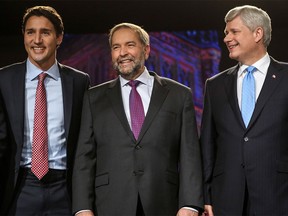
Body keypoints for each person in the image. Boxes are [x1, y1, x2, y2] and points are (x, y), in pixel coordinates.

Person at [72, 22, 203, 216]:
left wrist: (190, 204)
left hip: (164, 202)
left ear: (146, 50)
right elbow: (84, 157)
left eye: (130, 45)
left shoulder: (179, 94)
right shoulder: (94, 98)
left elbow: (189, 155)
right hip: (110, 205)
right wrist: (82, 208)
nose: (122, 52)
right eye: (116, 47)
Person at [0, 6, 90, 215]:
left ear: (59, 38)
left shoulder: (79, 81)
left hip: (65, 189)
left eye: (45, 33)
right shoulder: (4, 80)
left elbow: (85, 142)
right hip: (20, 188)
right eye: (31, 32)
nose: (37, 40)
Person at [200, 4, 288, 216]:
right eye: (226, 33)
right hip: (226, 200)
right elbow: (207, 145)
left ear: (258, 33)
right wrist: (205, 195)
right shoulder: (215, 85)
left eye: (234, 31)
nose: (227, 38)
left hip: (278, 198)